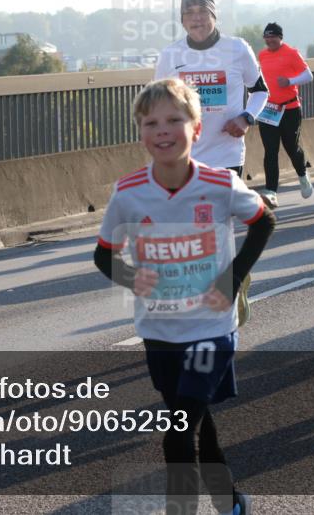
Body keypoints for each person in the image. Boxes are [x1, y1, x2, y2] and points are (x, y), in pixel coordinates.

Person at [94, 78, 275, 515]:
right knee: (196, 421)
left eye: (175, 120)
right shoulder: (129, 192)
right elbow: (103, 256)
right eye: (151, 122)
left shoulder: (219, 184)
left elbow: (264, 222)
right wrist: (130, 277)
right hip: (159, 328)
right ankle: (231, 502)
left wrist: (230, 281)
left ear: (196, 129)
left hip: (211, 328)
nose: (163, 130)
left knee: (178, 430)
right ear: (141, 132)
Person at [155, 0, 269, 178]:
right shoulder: (170, 55)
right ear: (182, 20)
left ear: (213, 14)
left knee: (223, 209)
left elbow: (260, 90)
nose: (196, 18)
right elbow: (157, 105)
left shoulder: (237, 48)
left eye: (202, 11)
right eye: (189, 13)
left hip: (227, 156)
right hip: (184, 158)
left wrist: (246, 118)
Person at [255, 22, 314, 208]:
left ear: (280, 37)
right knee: (270, 151)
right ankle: (271, 191)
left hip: (289, 109)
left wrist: (290, 81)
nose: (269, 40)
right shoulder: (262, 55)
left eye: (273, 36)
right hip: (269, 111)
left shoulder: (291, 53)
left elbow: (308, 76)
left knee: (291, 147)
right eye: (267, 37)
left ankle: (303, 175)